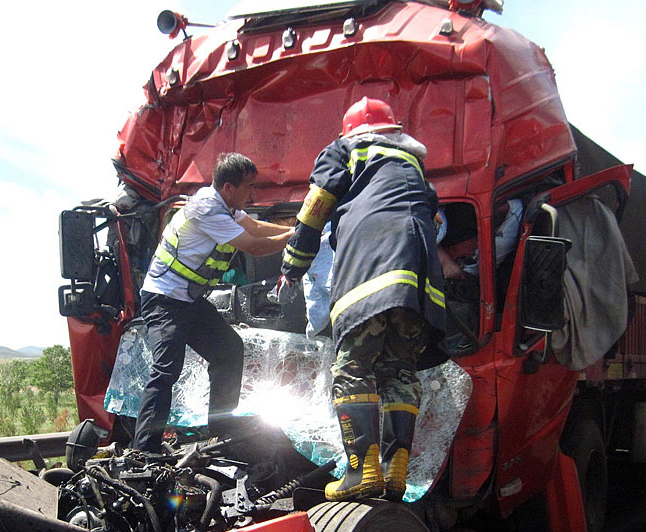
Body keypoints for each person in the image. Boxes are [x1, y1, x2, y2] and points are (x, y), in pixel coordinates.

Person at [279, 97, 446, 501]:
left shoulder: (345, 150)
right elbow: (435, 214)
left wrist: (292, 267)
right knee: (399, 371)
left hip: (372, 266)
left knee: (354, 366)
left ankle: (361, 471)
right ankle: (395, 472)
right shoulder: (412, 165)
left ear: (349, 132)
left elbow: (315, 209)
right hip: (419, 279)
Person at [133, 153, 294, 452]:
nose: (252, 194)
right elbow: (256, 246)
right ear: (229, 188)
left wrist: (295, 231)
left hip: (187, 300)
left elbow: (257, 229)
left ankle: (222, 432)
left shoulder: (227, 206)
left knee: (229, 350)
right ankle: (144, 451)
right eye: (248, 187)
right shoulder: (208, 209)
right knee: (166, 369)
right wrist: (298, 238)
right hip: (164, 300)